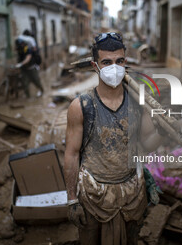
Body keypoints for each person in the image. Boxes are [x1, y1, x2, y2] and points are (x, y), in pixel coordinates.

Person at [64, 32, 163, 245]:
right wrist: (72, 200)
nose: (114, 68)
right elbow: (71, 154)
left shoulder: (139, 103)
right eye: (106, 62)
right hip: (93, 195)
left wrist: (164, 130)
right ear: (95, 65)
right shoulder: (81, 106)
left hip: (132, 195)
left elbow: (148, 143)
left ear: (125, 62)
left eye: (119, 61)